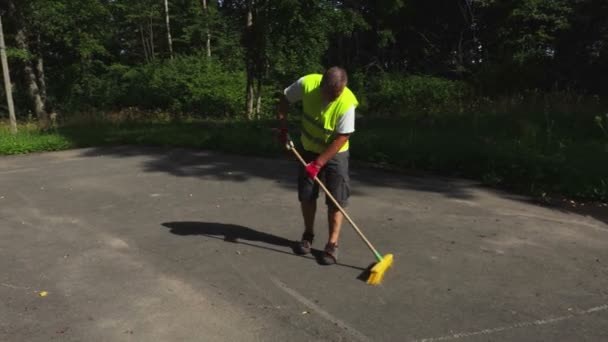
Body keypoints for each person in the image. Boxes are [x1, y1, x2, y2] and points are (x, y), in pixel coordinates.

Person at [277, 66, 358, 265]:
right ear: (322, 85)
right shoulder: (307, 84)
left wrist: (319, 162)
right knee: (307, 194)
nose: (334, 98)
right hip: (307, 148)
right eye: (330, 94)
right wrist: (283, 130)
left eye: (337, 94)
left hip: (335, 154)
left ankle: (332, 244)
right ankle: (308, 235)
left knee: (336, 199)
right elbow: (284, 101)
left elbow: (343, 136)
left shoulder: (347, 103)